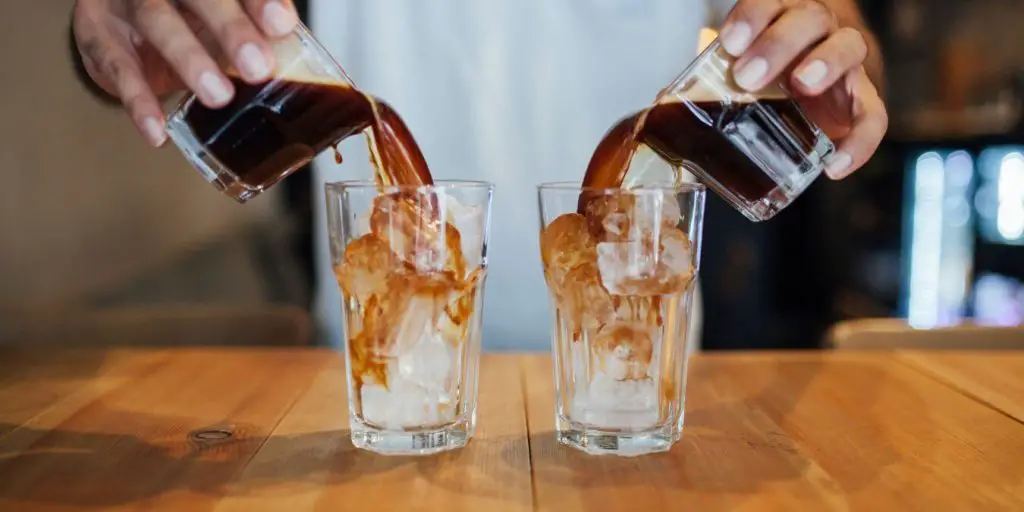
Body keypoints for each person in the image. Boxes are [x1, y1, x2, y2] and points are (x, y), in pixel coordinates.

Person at [70, 0, 887, 350]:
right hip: (363, 383)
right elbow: (171, 26)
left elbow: (831, 22)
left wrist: (835, 57)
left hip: (640, 379)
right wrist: (114, 38)